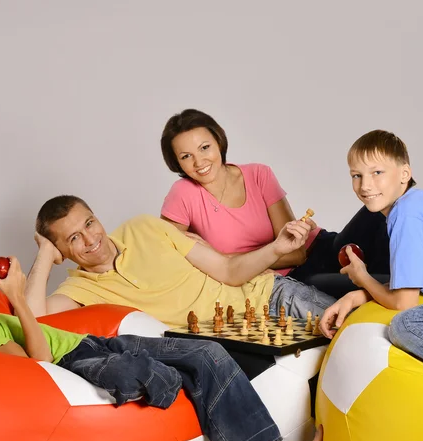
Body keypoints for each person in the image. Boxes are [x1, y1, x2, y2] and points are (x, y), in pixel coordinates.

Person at [0, 261, 323, 441]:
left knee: (207, 353)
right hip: (73, 359)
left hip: (90, 341)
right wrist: (18, 298)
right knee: (167, 378)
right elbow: (36, 363)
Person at [159, 108, 392, 298]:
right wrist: (227, 266)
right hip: (292, 280)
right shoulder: (182, 194)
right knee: (381, 285)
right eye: (186, 156)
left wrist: (225, 260)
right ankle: (405, 297)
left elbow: (296, 251)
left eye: (204, 148)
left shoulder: (259, 174)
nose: (199, 161)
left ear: (218, 141)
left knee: (383, 212)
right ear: (177, 163)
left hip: (321, 248)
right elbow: (165, 254)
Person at [25, 195, 336, 327]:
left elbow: (228, 271)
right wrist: (42, 252)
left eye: (89, 223)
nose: (90, 239)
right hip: (229, 339)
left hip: (269, 296)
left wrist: (278, 248)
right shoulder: (79, 290)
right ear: (60, 252)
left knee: (358, 332)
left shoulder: (143, 226)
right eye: (73, 238)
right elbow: (35, 320)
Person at [320, 129, 423, 388]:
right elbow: (411, 282)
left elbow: (404, 302)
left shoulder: (407, 215)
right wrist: (355, 295)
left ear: (405, 174)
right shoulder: (416, 200)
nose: (365, 186)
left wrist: (362, 278)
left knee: (406, 324)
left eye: (377, 173)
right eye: (356, 176)